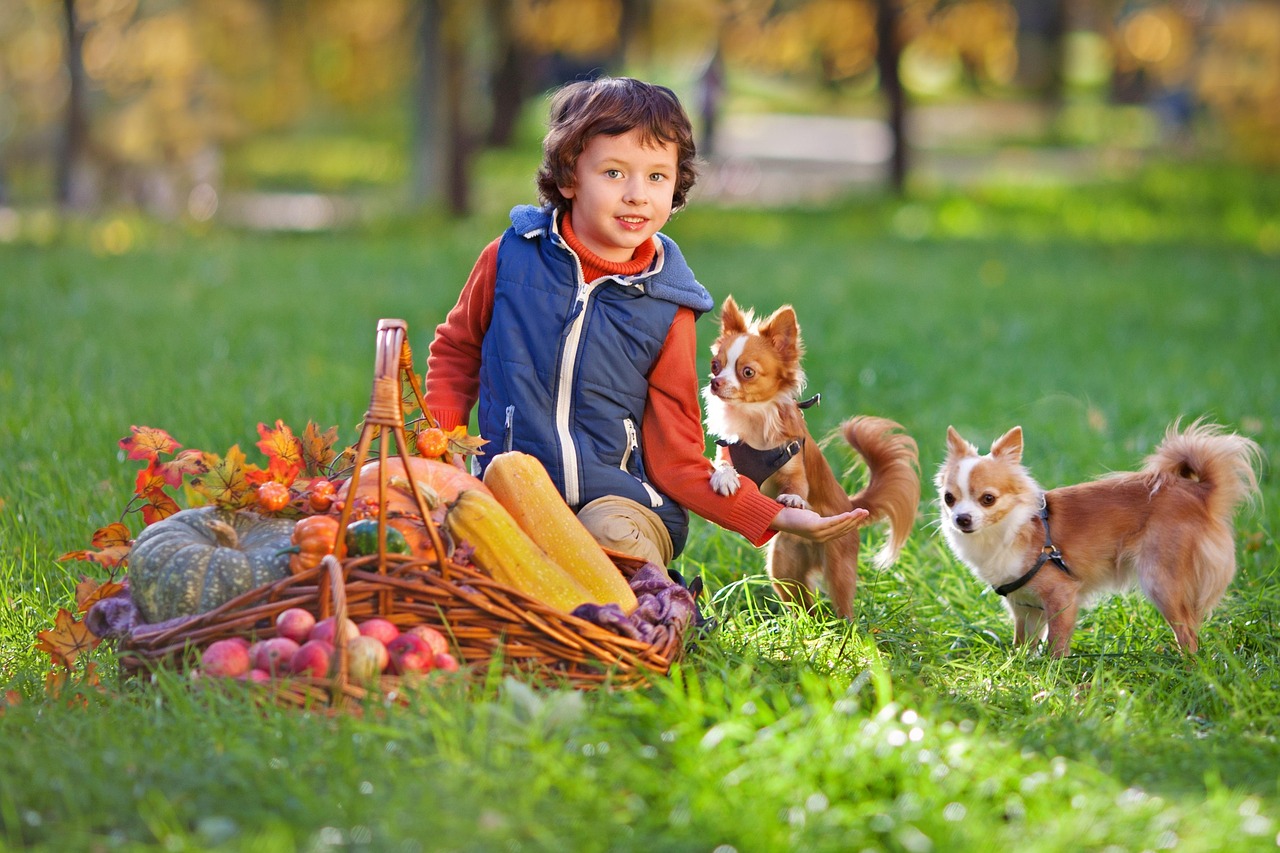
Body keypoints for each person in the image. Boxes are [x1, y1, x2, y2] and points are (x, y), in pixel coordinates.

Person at [425, 76, 866, 568]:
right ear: (569, 177)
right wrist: (441, 448)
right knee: (471, 552)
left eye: (657, 177)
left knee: (609, 540)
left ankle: (642, 611)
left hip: (622, 503)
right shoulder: (510, 258)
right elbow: (457, 352)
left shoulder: (667, 308)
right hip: (510, 489)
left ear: (676, 185)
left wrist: (771, 515)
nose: (637, 195)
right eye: (614, 173)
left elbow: (678, 457)